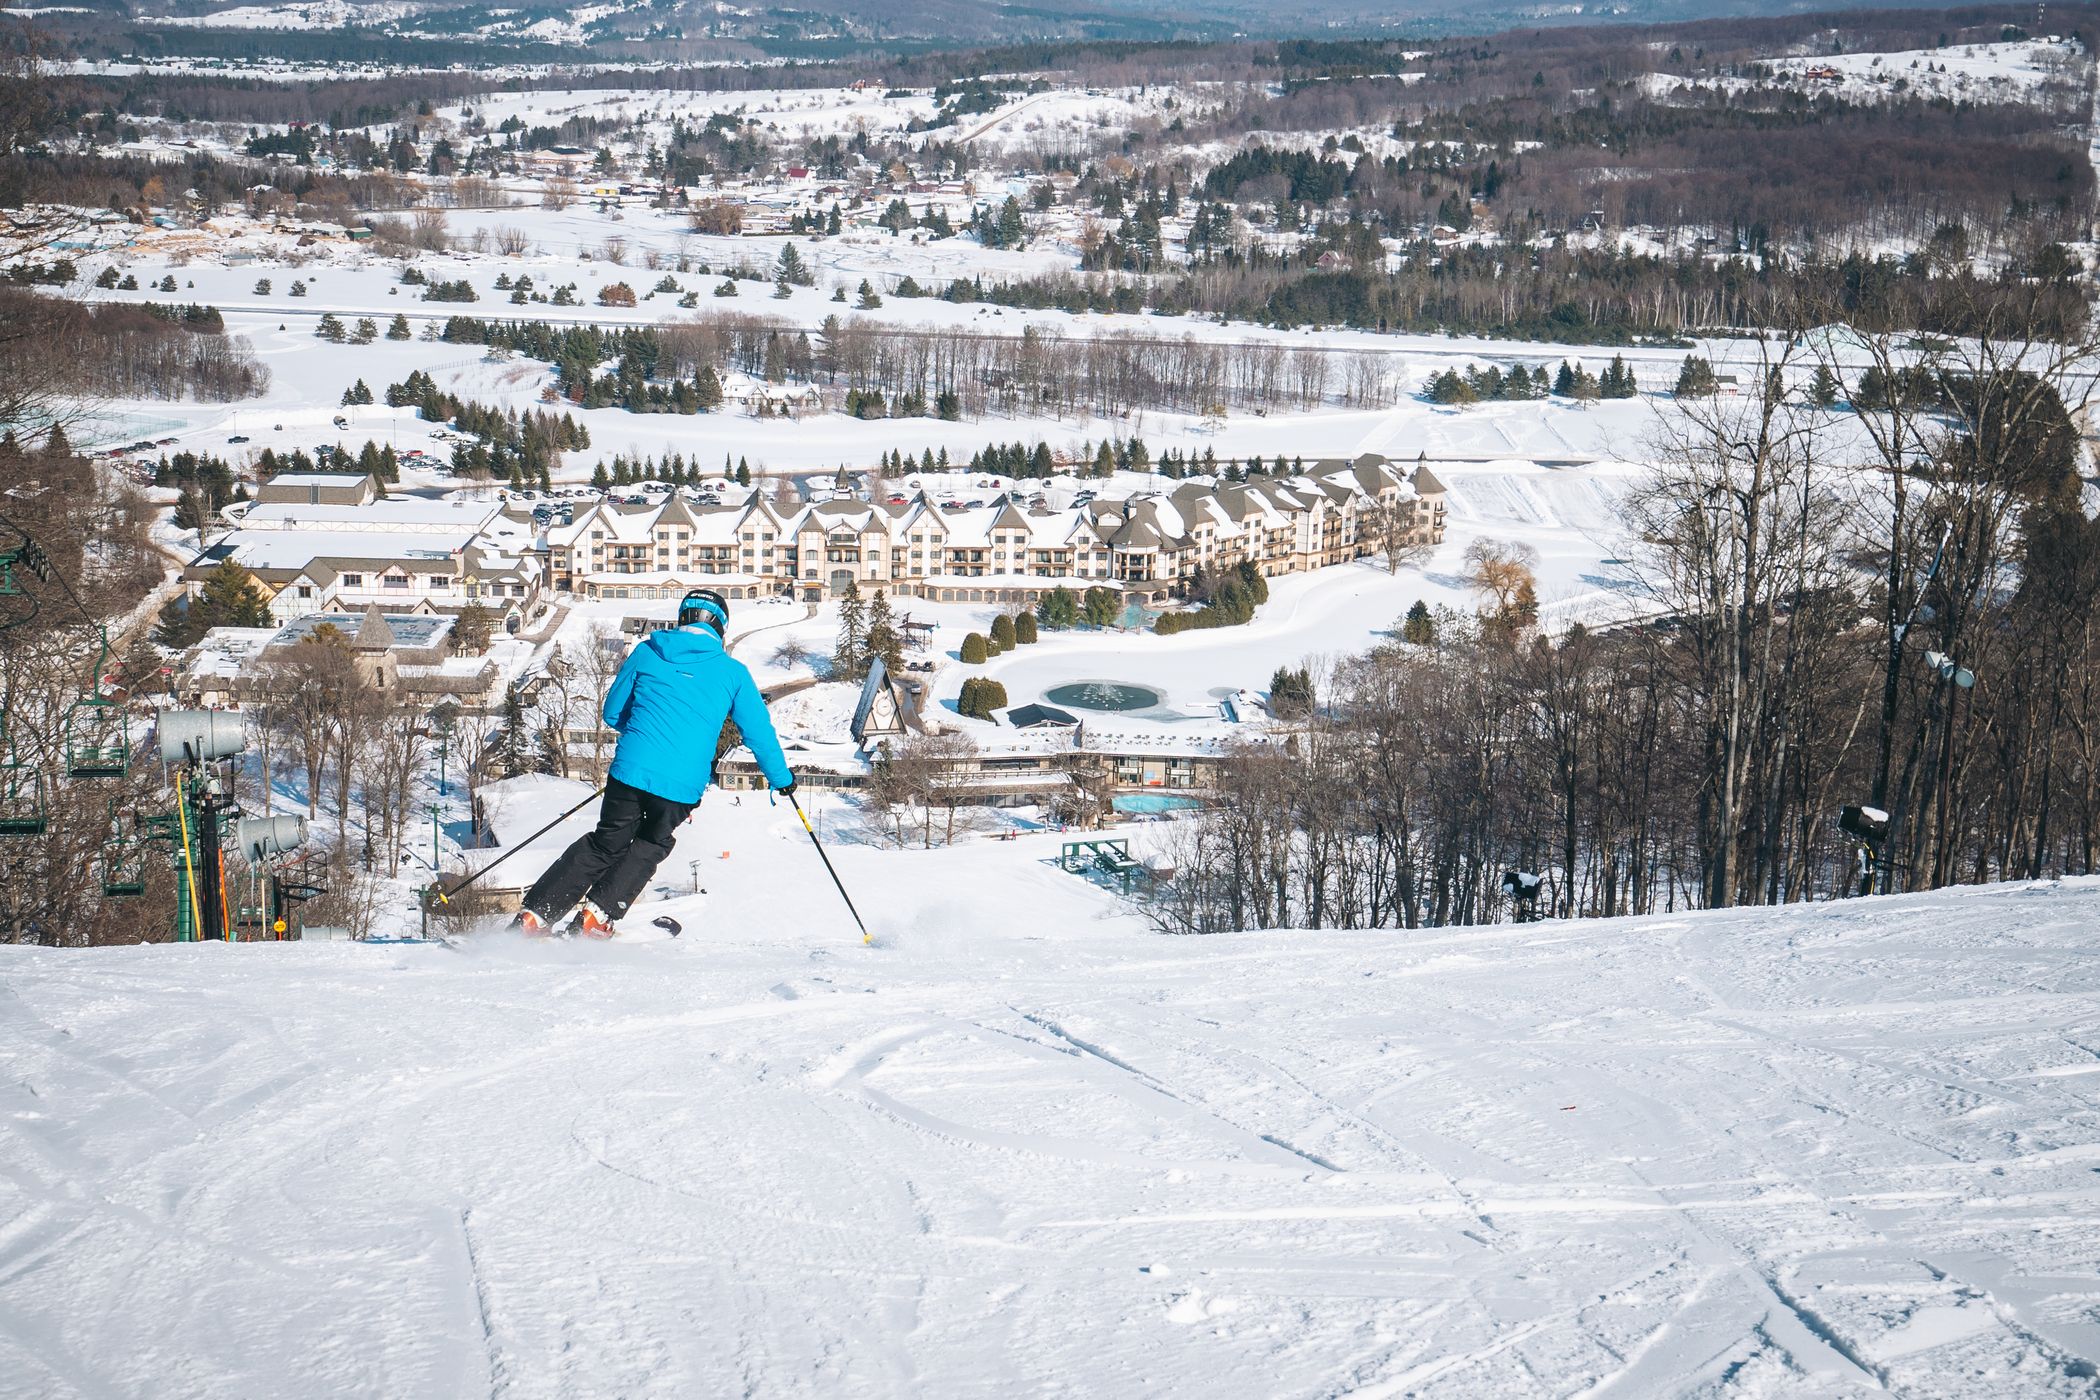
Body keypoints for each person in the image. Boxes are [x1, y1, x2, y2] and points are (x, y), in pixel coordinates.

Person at [515, 588, 793, 937]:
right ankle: (596, 917)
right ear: (720, 628)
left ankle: (536, 916)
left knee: (606, 843)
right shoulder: (733, 673)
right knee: (651, 844)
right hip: (679, 786)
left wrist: (644, 735)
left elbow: (613, 712)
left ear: (682, 619)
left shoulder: (647, 652)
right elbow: (759, 732)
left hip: (630, 772)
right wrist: (781, 779)